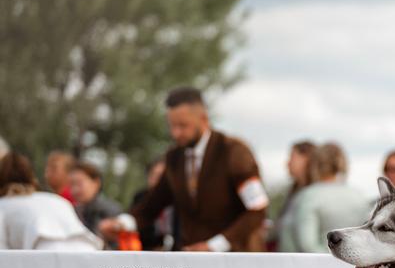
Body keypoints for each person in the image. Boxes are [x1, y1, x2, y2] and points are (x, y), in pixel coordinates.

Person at [99, 87, 269, 251]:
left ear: (204, 119)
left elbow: (257, 210)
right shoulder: (175, 157)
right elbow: (151, 206)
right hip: (193, 260)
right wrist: (122, 223)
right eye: (171, 126)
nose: (175, 133)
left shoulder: (234, 151)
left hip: (238, 259)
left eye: (183, 126)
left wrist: (214, 246)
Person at [277, 142, 369, 253]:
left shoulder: (307, 196)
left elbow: (307, 245)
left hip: (314, 267)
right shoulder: (360, 197)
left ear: (314, 165)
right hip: (352, 266)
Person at [0, 152, 101, 251]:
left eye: (53, 168)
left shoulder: (3, 205)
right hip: (89, 253)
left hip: (46, 259)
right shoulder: (56, 200)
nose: (47, 173)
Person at [130, 158, 175, 251]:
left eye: (162, 178)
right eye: (155, 176)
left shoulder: (179, 200)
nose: (159, 183)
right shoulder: (141, 198)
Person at [68, 161, 122, 237]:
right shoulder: (73, 210)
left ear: (96, 183)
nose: (75, 190)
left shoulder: (110, 210)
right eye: (72, 184)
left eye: (79, 183)